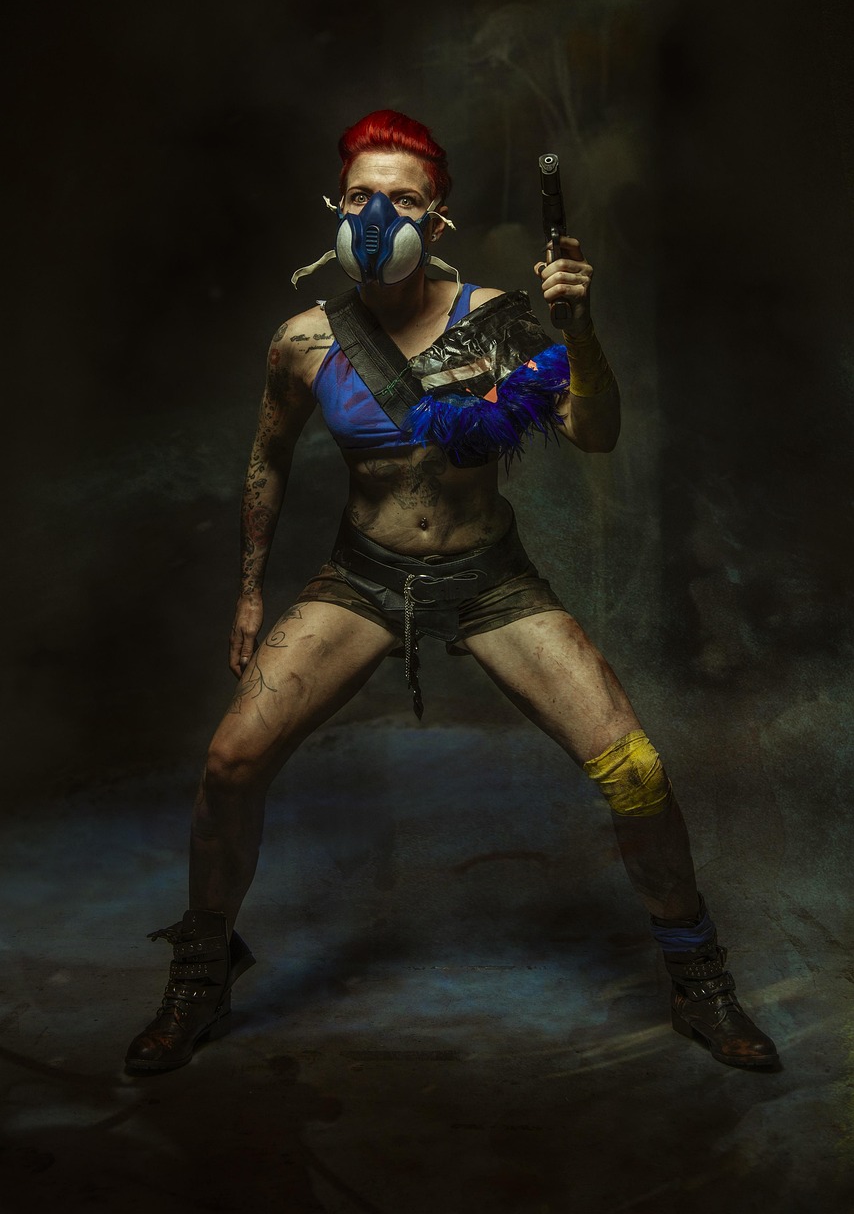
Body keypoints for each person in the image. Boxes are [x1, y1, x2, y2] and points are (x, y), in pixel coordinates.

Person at [124, 109, 777, 1074]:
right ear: (334, 207)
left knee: (635, 772)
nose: (375, 215)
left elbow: (595, 433)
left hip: (488, 579)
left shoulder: (496, 318)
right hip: (363, 576)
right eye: (359, 196)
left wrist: (579, 329)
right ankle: (202, 971)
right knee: (230, 762)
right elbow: (267, 457)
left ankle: (698, 977)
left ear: (438, 221)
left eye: (402, 200)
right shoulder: (304, 339)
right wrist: (250, 592)